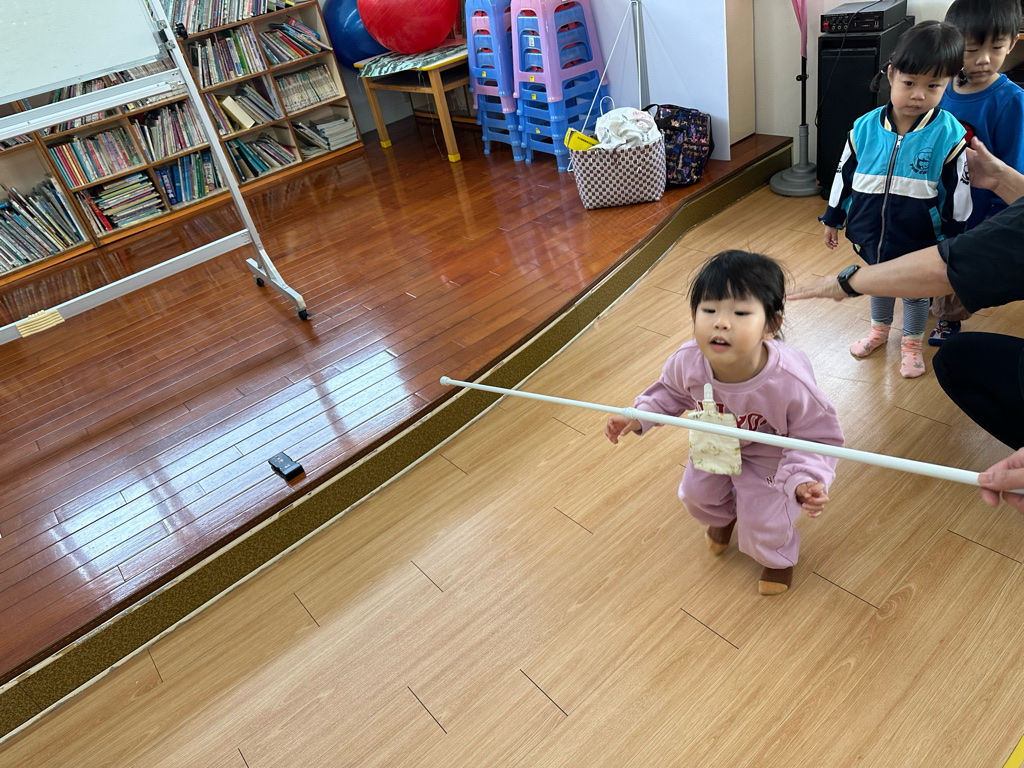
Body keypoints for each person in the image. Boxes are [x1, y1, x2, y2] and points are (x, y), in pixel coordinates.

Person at [789, 137, 1024, 509]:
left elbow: (951, 265)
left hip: (923, 247)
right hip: (885, 243)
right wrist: (999, 178)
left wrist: (844, 283)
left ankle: (910, 341)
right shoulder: (868, 131)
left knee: (932, 320)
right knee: (956, 357)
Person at [604, 250, 844, 596]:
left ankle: (777, 559)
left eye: (740, 313)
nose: (721, 323)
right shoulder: (687, 361)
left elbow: (817, 436)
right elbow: (669, 392)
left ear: (771, 326)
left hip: (771, 453)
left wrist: (806, 477)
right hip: (715, 441)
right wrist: (638, 416)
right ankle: (724, 517)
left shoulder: (789, 381)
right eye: (710, 310)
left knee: (765, 519)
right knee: (696, 495)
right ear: (693, 316)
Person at [820, 20, 972, 378]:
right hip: (871, 231)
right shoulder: (864, 127)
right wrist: (832, 217)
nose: (919, 95)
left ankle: (911, 344)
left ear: (948, 83)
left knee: (915, 293)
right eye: (909, 83)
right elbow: (843, 174)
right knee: (879, 281)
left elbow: (960, 191)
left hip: (920, 236)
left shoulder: (949, 133)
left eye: (933, 86)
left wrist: (955, 237)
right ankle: (879, 331)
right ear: (891, 75)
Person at [929, 0, 1024, 346]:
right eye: (971, 50)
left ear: (1012, 43)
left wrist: (996, 218)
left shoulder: (1011, 101)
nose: (983, 59)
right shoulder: (942, 88)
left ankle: (949, 317)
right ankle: (929, 295)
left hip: (982, 208)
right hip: (939, 197)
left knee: (960, 262)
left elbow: (1012, 168)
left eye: (996, 48)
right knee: (936, 251)